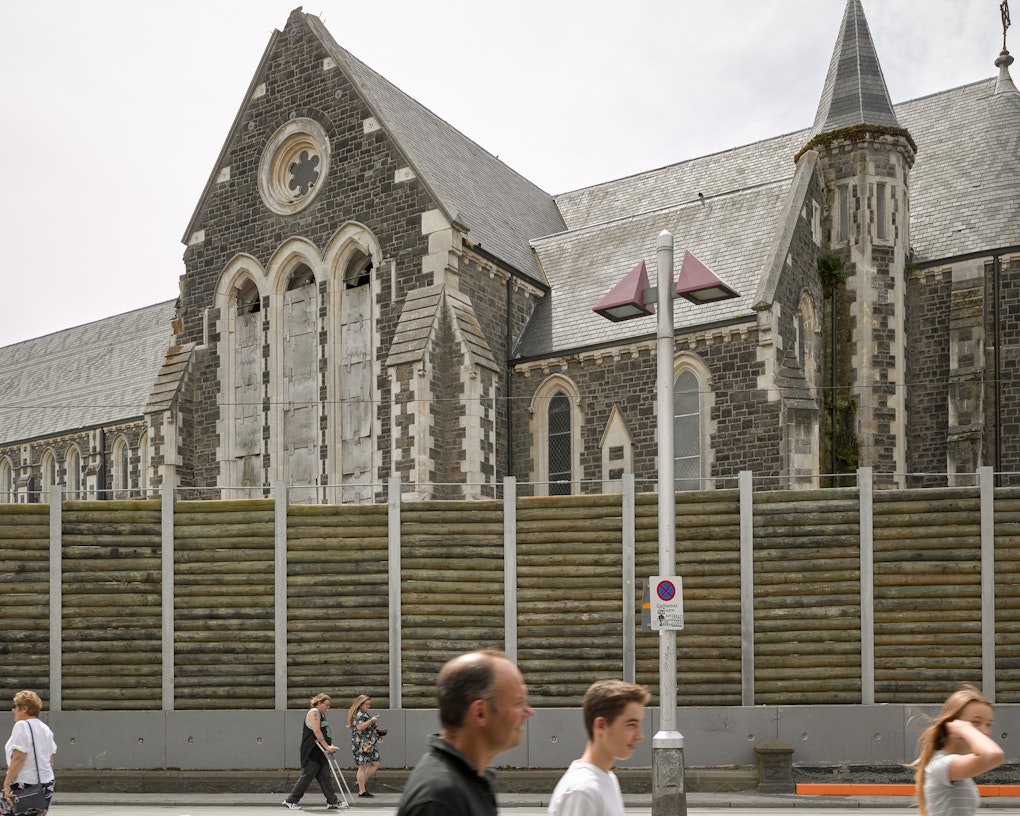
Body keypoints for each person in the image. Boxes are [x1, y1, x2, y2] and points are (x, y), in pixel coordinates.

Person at [396, 649, 533, 816]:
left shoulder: (468, 780)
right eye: (518, 703)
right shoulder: (440, 800)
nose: (528, 712)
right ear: (480, 712)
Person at [547, 680, 650, 816]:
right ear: (601, 725)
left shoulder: (607, 778)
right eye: (631, 725)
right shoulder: (582, 791)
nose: (640, 736)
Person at [910, 684, 1005, 816]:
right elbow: (993, 755)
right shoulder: (942, 764)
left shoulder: (949, 764)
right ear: (953, 725)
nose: (985, 730)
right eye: (976, 722)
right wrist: (965, 728)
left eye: (988, 724)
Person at [283, 693, 345, 811]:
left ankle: (332, 801)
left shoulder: (320, 714)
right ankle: (291, 800)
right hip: (312, 751)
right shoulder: (314, 712)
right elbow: (317, 731)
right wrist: (327, 747)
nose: (328, 707)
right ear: (319, 703)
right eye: (326, 705)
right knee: (307, 776)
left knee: (325, 776)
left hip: (320, 751)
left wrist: (328, 746)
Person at [3, 690, 57, 816]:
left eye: (15, 706)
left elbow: (19, 758)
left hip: (26, 784)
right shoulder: (45, 728)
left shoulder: (21, 725)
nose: (13, 710)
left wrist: (6, 784)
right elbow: (50, 760)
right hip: (46, 783)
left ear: (24, 709)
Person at [347, 694, 382, 797]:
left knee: (375, 763)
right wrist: (371, 721)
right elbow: (359, 727)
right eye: (366, 704)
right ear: (360, 704)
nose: (368, 706)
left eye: (369, 704)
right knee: (363, 766)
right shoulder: (359, 715)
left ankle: (361, 783)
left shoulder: (363, 714)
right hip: (362, 743)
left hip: (368, 743)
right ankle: (362, 791)